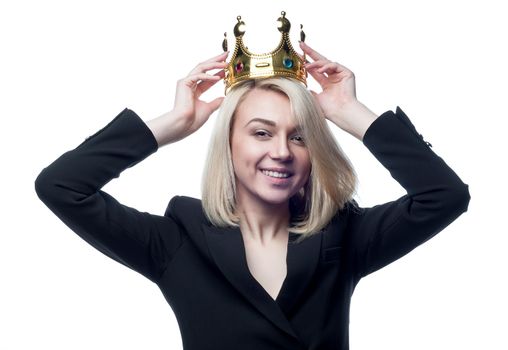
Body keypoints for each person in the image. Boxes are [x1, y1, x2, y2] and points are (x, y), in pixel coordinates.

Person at [34, 37, 470, 350]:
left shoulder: (345, 236)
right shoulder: (177, 242)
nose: (281, 152)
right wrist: (174, 124)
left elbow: (444, 195)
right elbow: (61, 186)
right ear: (229, 143)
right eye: (261, 133)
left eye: (299, 138)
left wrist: (347, 111)